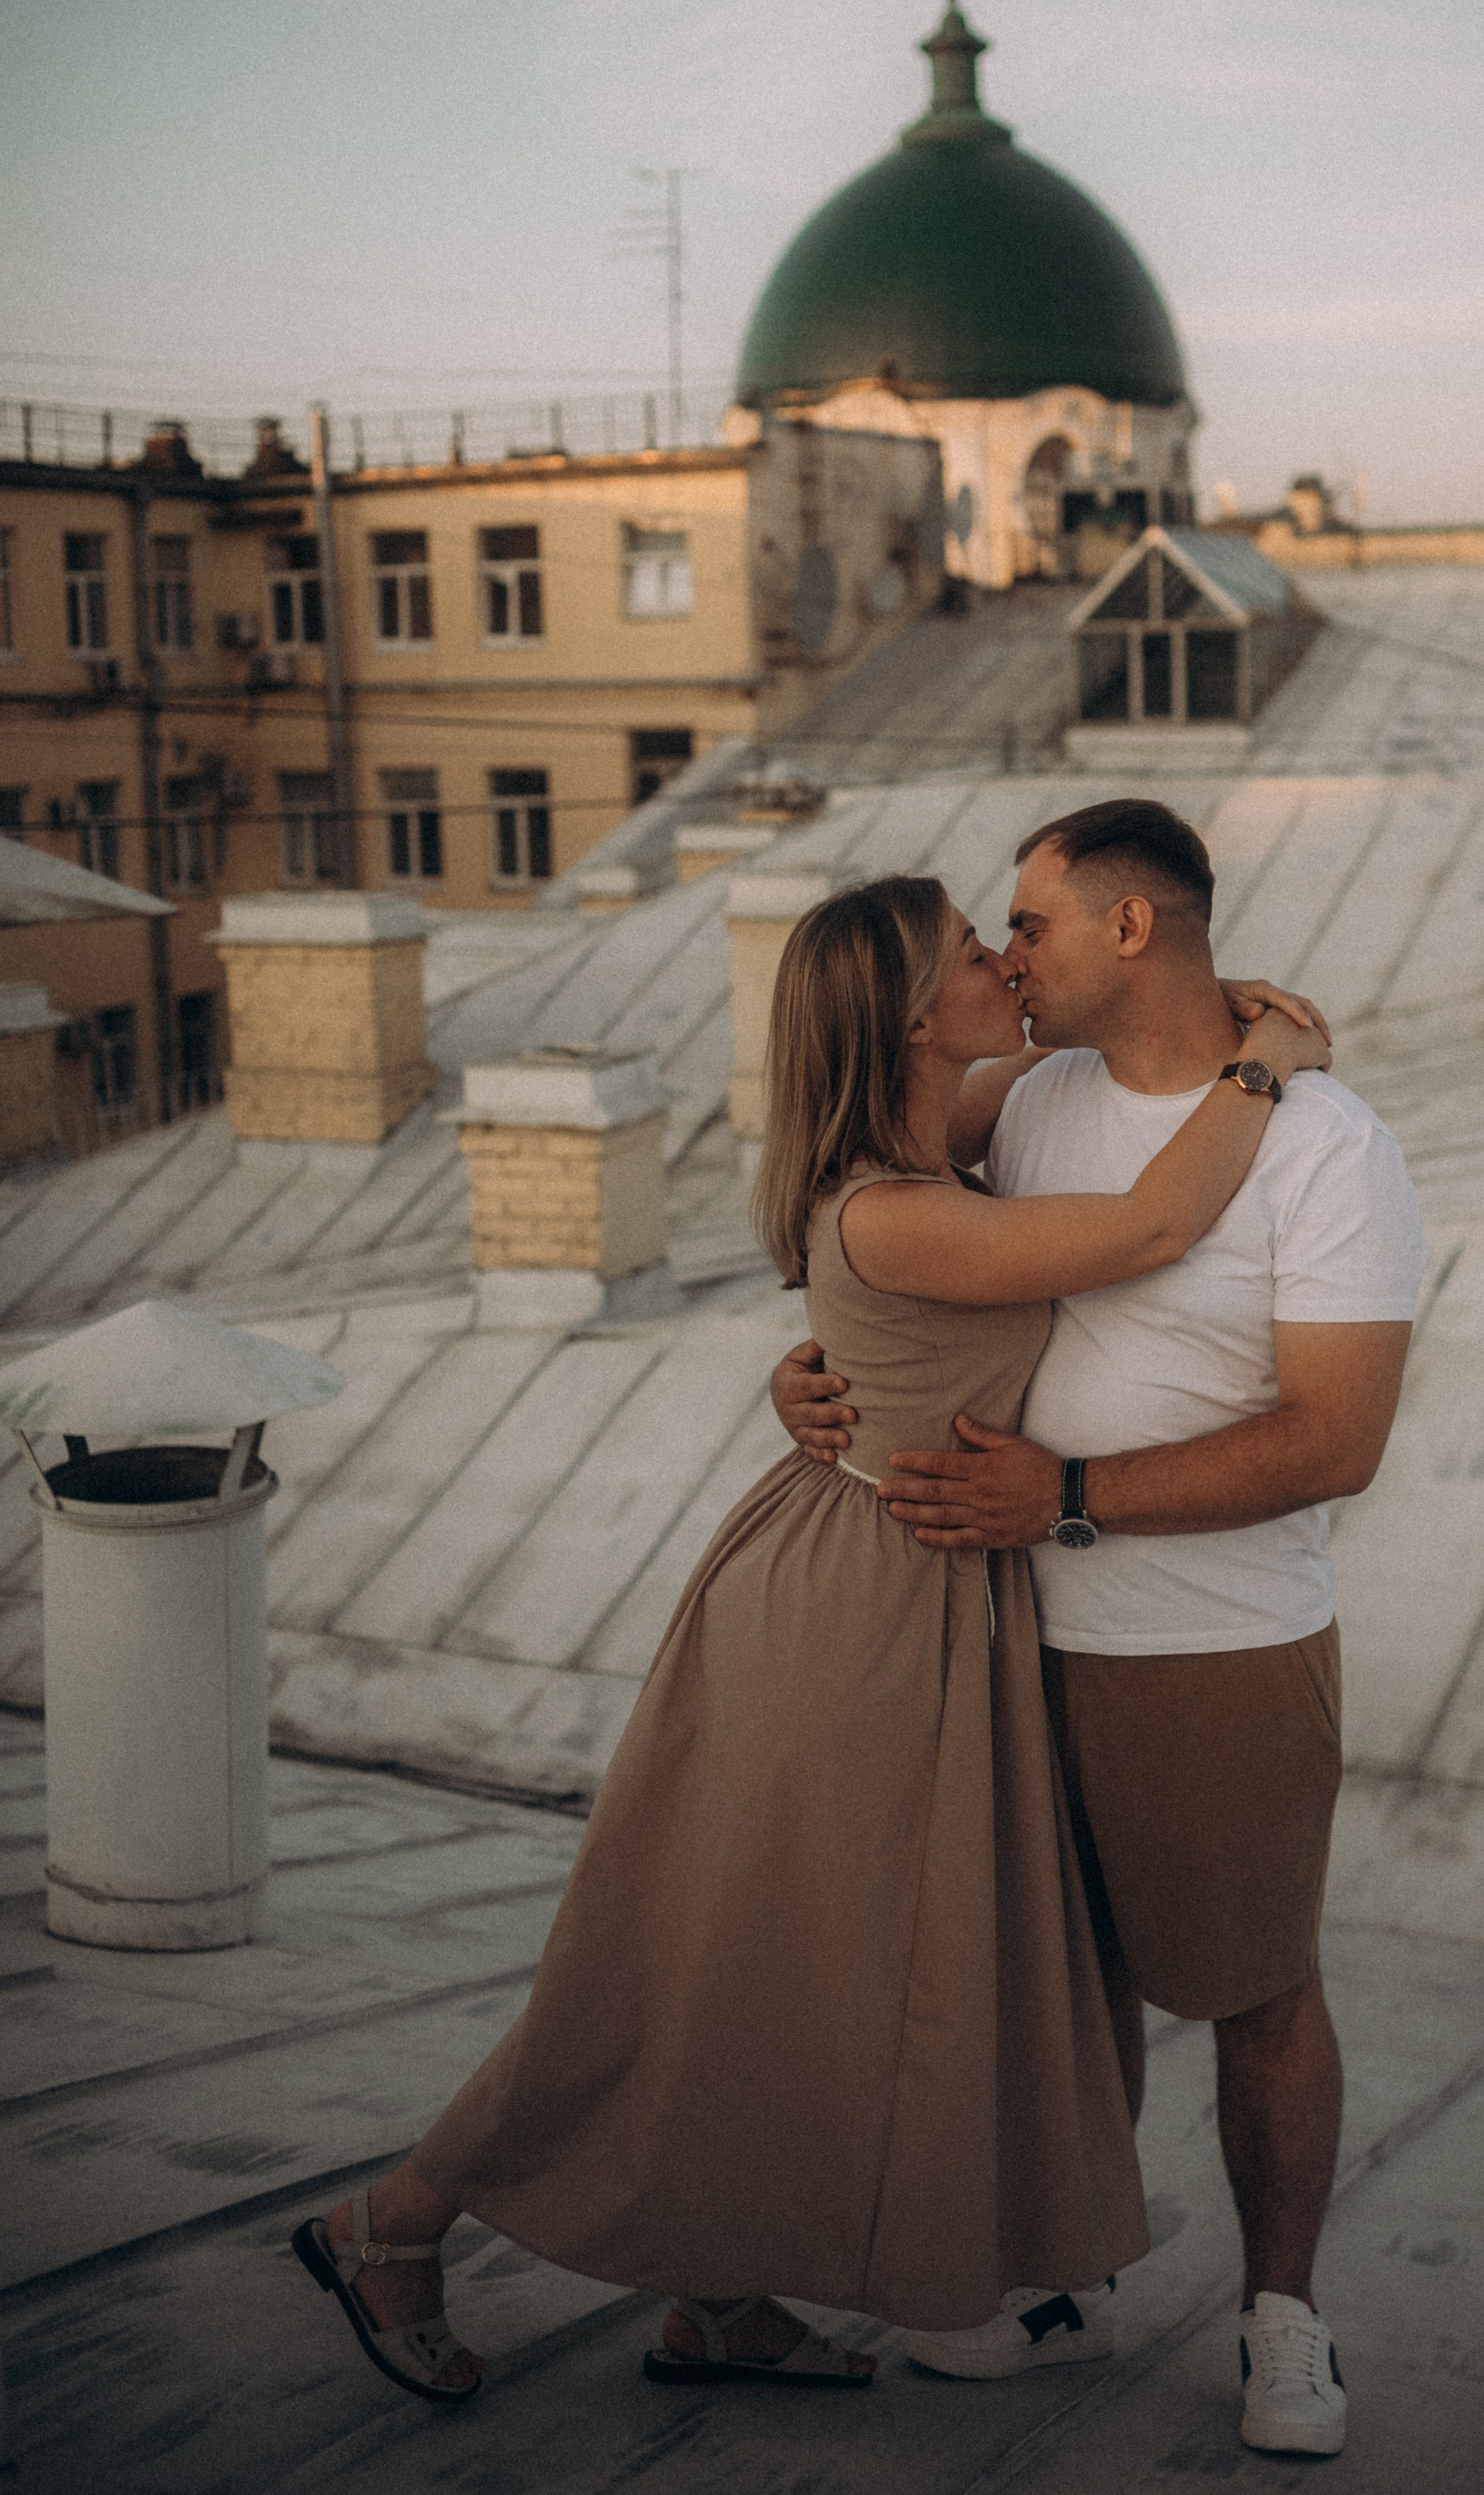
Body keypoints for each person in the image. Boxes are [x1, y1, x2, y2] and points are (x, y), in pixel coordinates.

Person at [291, 870, 1329, 2408]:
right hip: (849, 1614)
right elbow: (1151, 1219)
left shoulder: (933, 1143)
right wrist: (1267, 1068)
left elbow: (1076, 1096)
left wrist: (1188, 1015)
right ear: (915, 1016)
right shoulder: (898, 1205)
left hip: (906, 1582)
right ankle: (392, 2219)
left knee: (807, 1978)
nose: (1000, 959)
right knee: (680, 1975)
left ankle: (722, 2299)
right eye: (973, 952)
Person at [773, 800, 1425, 2461]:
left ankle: (1281, 2317)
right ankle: (1072, 2278)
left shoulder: (1325, 1144)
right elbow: (872, 1215)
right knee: (1067, 1994)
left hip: (1210, 1642)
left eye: (1032, 924)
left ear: (1130, 929)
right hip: (997, 1635)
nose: (1005, 956)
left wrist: (1064, 1494)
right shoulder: (1028, 1099)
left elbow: (1332, 1439)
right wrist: (804, 1383)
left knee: (1253, 1991)